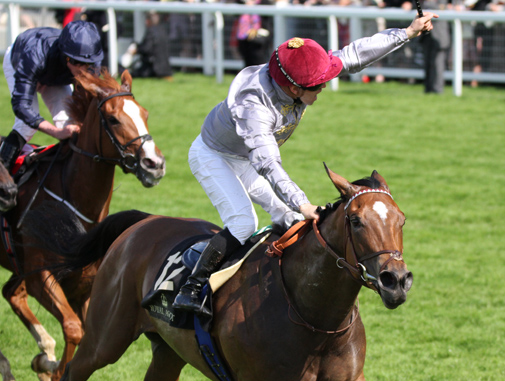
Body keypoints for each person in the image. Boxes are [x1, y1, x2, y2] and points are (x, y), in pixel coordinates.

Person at [172, 12, 437, 317]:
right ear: (295, 89)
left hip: (244, 157)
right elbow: (268, 164)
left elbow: (353, 55)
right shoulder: (254, 107)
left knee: (287, 218)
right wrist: (303, 203)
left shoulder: (298, 76)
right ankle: (191, 288)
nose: (323, 88)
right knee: (244, 223)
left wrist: (407, 32)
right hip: (213, 156)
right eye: (318, 87)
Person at [1, 20, 103, 172]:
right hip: (19, 62)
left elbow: (84, 102)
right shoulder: (34, 55)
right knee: (25, 127)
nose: (82, 70)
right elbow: (21, 106)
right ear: (65, 55)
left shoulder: (92, 62)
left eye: (86, 64)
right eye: (76, 62)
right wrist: (56, 133)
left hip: (56, 77)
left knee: (69, 123)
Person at [128, 12, 173, 80]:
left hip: (154, 69)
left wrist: (136, 50)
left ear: (148, 21)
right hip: (166, 68)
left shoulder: (151, 31)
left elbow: (146, 48)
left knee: (131, 75)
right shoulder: (163, 30)